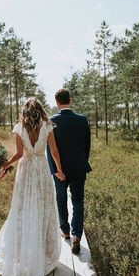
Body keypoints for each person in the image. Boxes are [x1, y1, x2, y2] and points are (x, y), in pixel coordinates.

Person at [0, 98, 65, 276]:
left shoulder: (19, 127)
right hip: (41, 169)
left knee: (23, 210)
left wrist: (5, 163)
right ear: (40, 111)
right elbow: (54, 151)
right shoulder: (47, 125)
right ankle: (43, 254)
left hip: (25, 172)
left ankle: (25, 253)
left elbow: (19, 154)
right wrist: (60, 170)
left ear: (25, 112)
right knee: (43, 210)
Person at [47, 88, 91, 254]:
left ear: (57, 102)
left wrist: (54, 169)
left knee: (61, 199)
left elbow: (50, 150)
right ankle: (77, 236)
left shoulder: (51, 121)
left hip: (60, 170)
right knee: (78, 201)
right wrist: (82, 162)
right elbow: (87, 146)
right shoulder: (82, 120)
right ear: (70, 100)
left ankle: (65, 231)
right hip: (79, 168)